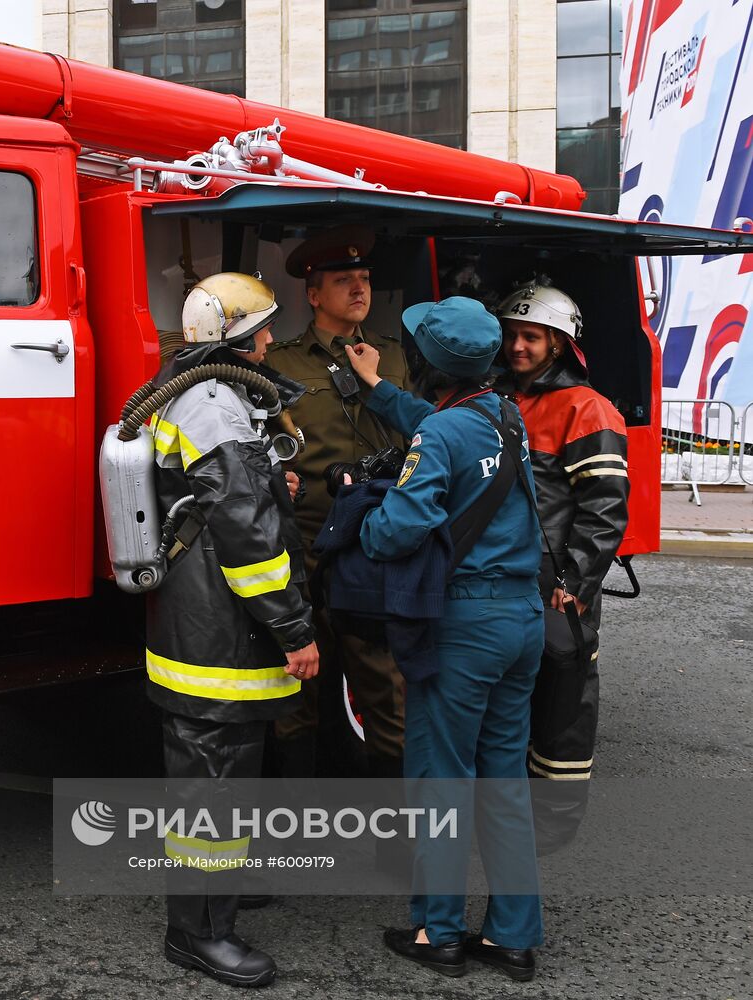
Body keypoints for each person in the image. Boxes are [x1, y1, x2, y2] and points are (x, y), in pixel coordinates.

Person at [344, 297, 545, 982]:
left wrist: (359, 523)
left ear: (431, 362)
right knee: (505, 781)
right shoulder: (505, 416)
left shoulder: (444, 435)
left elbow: (400, 527)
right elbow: (443, 429)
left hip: (466, 627)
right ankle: (514, 938)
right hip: (522, 622)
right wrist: (381, 391)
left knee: (441, 780)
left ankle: (440, 932)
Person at [146, 272, 319, 988]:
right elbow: (248, 537)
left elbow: (219, 497)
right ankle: (198, 934)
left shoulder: (190, 392)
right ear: (237, 341)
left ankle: (217, 896)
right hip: (217, 630)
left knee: (222, 772)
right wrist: (295, 630)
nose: (273, 340)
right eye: (263, 331)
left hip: (196, 616)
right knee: (213, 779)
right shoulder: (217, 403)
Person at [267, 226, 412, 782]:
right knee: (296, 688)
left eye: (365, 278)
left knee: (385, 692)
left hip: (374, 546)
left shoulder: (393, 358)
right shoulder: (281, 363)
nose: (359, 288)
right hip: (305, 548)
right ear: (312, 293)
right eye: (344, 280)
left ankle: (395, 844)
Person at [494, 282, 629, 845]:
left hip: (558, 589)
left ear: (559, 343)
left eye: (531, 337)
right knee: (512, 703)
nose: (517, 347)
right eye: (511, 335)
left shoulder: (586, 408)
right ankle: (513, 814)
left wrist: (576, 580)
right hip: (507, 582)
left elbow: (605, 508)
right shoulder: (501, 397)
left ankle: (554, 822)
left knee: (563, 703)